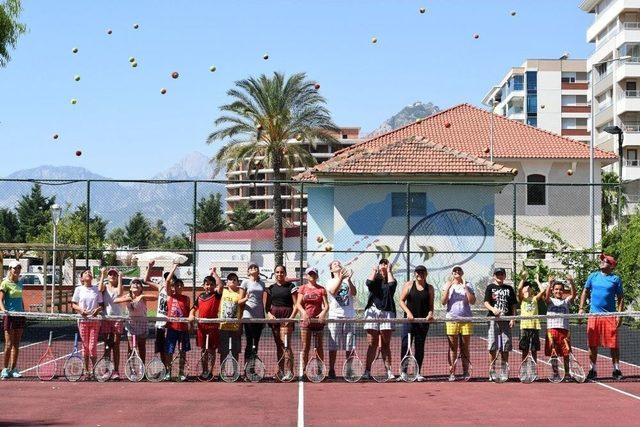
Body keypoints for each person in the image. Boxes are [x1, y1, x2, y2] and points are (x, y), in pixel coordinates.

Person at [579, 253, 624, 380]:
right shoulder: (592, 276)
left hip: (610, 316)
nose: (602, 261)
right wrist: (581, 308)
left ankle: (616, 369)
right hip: (594, 315)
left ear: (611, 266)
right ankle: (593, 369)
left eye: (606, 261)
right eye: (602, 260)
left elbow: (620, 298)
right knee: (592, 344)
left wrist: (619, 315)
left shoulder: (615, 279)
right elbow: (585, 292)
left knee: (613, 345)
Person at [398, 265, 434, 382]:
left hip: (422, 323)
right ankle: (403, 372)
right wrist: (408, 312)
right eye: (418, 272)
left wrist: (430, 314)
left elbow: (431, 306)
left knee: (419, 347)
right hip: (409, 322)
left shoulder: (430, 288)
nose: (420, 274)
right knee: (405, 346)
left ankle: (417, 372)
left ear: (426, 274)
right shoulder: (409, 285)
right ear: (415, 274)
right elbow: (401, 301)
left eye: (422, 272)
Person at [363, 258, 397, 381]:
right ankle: (367, 371)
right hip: (372, 312)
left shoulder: (390, 280)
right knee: (372, 343)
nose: (384, 265)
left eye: (386, 263)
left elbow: (392, 286)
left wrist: (389, 271)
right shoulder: (375, 280)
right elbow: (368, 283)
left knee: (386, 344)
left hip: (387, 313)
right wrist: (374, 271)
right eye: (382, 263)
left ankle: (388, 371)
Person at [441, 265, 476, 381]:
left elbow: (472, 301)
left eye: (459, 270)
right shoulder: (448, 285)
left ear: (462, 272)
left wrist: (465, 287)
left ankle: (466, 372)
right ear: (452, 273)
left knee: (465, 347)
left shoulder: (469, 284)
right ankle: (452, 373)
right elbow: (443, 302)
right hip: (451, 319)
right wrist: (448, 288)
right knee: (453, 347)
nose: (457, 272)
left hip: (466, 320)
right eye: (454, 271)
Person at [188, 267, 223, 380]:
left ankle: (211, 371)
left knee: (212, 350)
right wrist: (191, 314)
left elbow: (221, 285)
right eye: (207, 284)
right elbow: (193, 308)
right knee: (203, 349)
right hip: (201, 327)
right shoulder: (200, 297)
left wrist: (214, 273)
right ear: (203, 286)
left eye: (211, 284)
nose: (209, 286)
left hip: (213, 326)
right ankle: (204, 370)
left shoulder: (216, 295)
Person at [483, 267, 517, 380]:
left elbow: (513, 305)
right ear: (494, 276)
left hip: (506, 320)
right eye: (497, 274)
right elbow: (486, 302)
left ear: (505, 276)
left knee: (506, 345)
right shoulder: (490, 287)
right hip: (493, 320)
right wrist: (493, 310)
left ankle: (503, 370)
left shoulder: (509, 288)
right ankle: (492, 370)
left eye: (502, 274)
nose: (500, 276)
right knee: (492, 345)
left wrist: (513, 318)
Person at [265, 265, 298, 381]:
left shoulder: (291, 286)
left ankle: (290, 372)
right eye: (277, 272)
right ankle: (281, 371)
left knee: (286, 345)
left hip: (286, 318)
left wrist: (291, 318)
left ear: (285, 273)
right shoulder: (271, 288)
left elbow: (296, 305)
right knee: (279, 345)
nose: (280, 274)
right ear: (275, 274)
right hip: (275, 319)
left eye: (282, 272)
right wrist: (270, 315)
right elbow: (267, 307)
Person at [325, 260, 356, 380]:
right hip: (335, 316)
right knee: (333, 345)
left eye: (338, 263)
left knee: (350, 345)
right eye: (334, 264)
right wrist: (340, 278)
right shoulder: (330, 281)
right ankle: (332, 369)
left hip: (349, 316)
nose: (337, 264)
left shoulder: (347, 281)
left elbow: (354, 293)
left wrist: (348, 280)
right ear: (332, 270)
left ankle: (349, 369)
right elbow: (333, 291)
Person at [114, 277, 156, 365]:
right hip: (131, 325)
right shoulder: (127, 296)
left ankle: (142, 368)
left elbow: (155, 297)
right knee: (131, 348)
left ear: (141, 288)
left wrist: (142, 296)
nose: (136, 284)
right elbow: (115, 300)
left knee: (141, 347)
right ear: (130, 287)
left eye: (138, 283)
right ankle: (132, 369)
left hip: (142, 324)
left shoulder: (143, 297)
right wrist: (127, 299)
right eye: (134, 283)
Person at [296, 267, 329, 375]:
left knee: (319, 347)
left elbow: (326, 305)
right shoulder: (302, 288)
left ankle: (320, 371)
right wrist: (304, 313)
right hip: (306, 323)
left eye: (314, 274)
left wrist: (323, 313)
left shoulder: (321, 289)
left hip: (318, 322)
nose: (312, 276)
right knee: (305, 347)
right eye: (310, 274)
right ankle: (304, 371)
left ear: (317, 276)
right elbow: (298, 304)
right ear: (306, 276)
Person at [71, 270, 103, 377]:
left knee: (92, 346)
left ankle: (94, 370)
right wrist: (81, 310)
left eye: (89, 272)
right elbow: (74, 305)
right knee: (85, 346)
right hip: (83, 321)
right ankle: (86, 370)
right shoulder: (78, 289)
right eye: (85, 273)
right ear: (81, 278)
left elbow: (101, 305)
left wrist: (97, 310)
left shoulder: (96, 289)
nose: (88, 273)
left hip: (94, 321)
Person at [545, 276, 576, 381]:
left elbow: (574, 295)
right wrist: (549, 284)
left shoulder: (566, 301)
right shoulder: (550, 301)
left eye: (560, 289)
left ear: (563, 291)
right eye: (556, 289)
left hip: (564, 330)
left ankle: (567, 374)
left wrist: (571, 282)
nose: (558, 291)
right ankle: (555, 373)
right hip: (552, 330)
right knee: (553, 353)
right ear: (553, 291)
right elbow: (546, 296)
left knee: (566, 354)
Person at [149, 261, 177, 371]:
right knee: (160, 348)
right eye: (165, 279)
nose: (166, 281)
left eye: (169, 279)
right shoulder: (160, 288)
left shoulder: (171, 293)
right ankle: (164, 369)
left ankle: (168, 369)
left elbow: (169, 281)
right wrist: (150, 267)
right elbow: (146, 280)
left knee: (167, 349)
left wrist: (174, 268)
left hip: (167, 324)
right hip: (159, 324)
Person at [0, 260, 25, 379]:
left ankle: (13, 368)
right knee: (8, 344)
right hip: (9, 317)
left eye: (19, 268)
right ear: (10, 269)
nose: (17, 270)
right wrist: (4, 310)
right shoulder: (5, 283)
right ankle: (5, 369)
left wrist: (24, 312)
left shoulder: (20, 284)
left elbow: (20, 300)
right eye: (15, 268)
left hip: (20, 316)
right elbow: (0, 300)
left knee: (16, 344)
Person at [98, 267, 124, 380]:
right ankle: (107, 370)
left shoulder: (120, 286)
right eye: (110, 274)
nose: (112, 276)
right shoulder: (104, 287)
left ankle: (116, 371)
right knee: (107, 346)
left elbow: (119, 293)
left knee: (116, 345)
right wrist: (102, 274)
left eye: (114, 274)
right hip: (106, 318)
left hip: (117, 318)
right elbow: (99, 288)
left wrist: (121, 277)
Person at [240, 263, 267, 365]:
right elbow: (240, 300)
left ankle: (252, 368)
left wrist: (264, 316)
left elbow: (262, 301)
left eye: (256, 267)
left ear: (258, 271)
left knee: (256, 343)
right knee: (249, 342)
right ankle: (246, 367)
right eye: (251, 268)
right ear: (248, 272)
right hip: (248, 316)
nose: (253, 269)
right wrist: (246, 299)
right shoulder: (245, 282)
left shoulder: (262, 284)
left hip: (259, 316)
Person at [165, 278, 191, 381]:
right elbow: (167, 282)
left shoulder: (187, 298)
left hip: (183, 329)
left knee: (182, 352)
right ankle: (168, 372)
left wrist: (191, 325)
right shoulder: (169, 296)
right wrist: (175, 266)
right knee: (169, 351)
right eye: (177, 285)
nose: (179, 287)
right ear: (173, 287)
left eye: (181, 285)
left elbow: (189, 313)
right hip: (172, 329)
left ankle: (181, 372)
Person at [517, 272, 545, 365]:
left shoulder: (534, 299)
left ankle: (534, 369)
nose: (527, 287)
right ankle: (524, 368)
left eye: (529, 287)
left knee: (534, 349)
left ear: (532, 290)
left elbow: (542, 291)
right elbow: (519, 288)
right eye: (525, 287)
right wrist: (523, 279)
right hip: (524, 327)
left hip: (534, 327)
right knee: (524, 349)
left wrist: (537, 281)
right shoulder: (522, 299)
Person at [218, 273, 246, 364]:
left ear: (238, 282)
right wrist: (214, 273)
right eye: (230, 279)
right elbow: (219, 285)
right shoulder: (224, 291)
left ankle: (235, 372)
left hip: (235, 327)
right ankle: (222, 372)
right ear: (227, 282)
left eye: (235, 279)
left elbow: (242, 311)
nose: (232, 281)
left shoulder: (240, 294)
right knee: (223, 351)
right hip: (223, 327)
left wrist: (240, 325)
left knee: (235, 351)